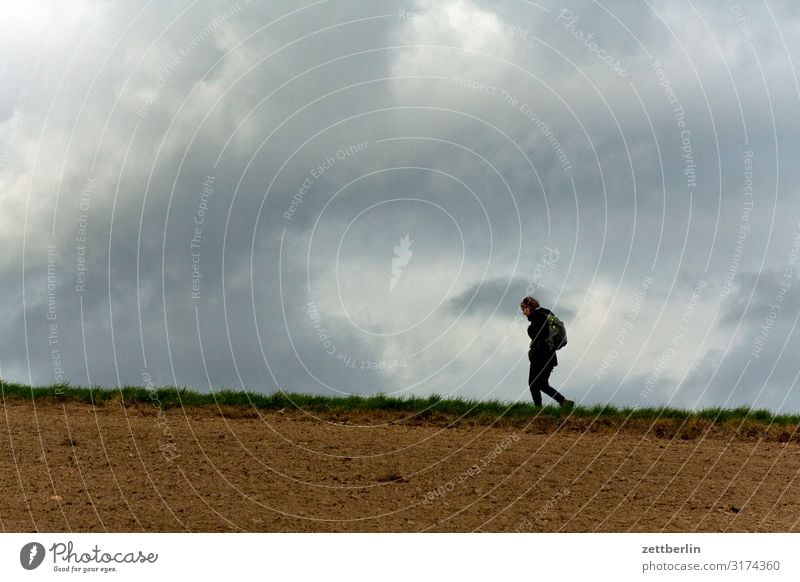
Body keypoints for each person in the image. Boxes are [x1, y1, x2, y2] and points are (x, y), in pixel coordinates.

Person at [521, 296, 574, 408]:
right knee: (542, 384)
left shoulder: (536, 318)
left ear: (529, 307)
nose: (523, 311)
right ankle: (563, 402)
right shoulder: (546, 314)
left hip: (540, 355)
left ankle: (538, 409)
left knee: (533, 383)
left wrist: (530, 333)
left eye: (524, 308)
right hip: (550, 355)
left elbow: (539, 336)